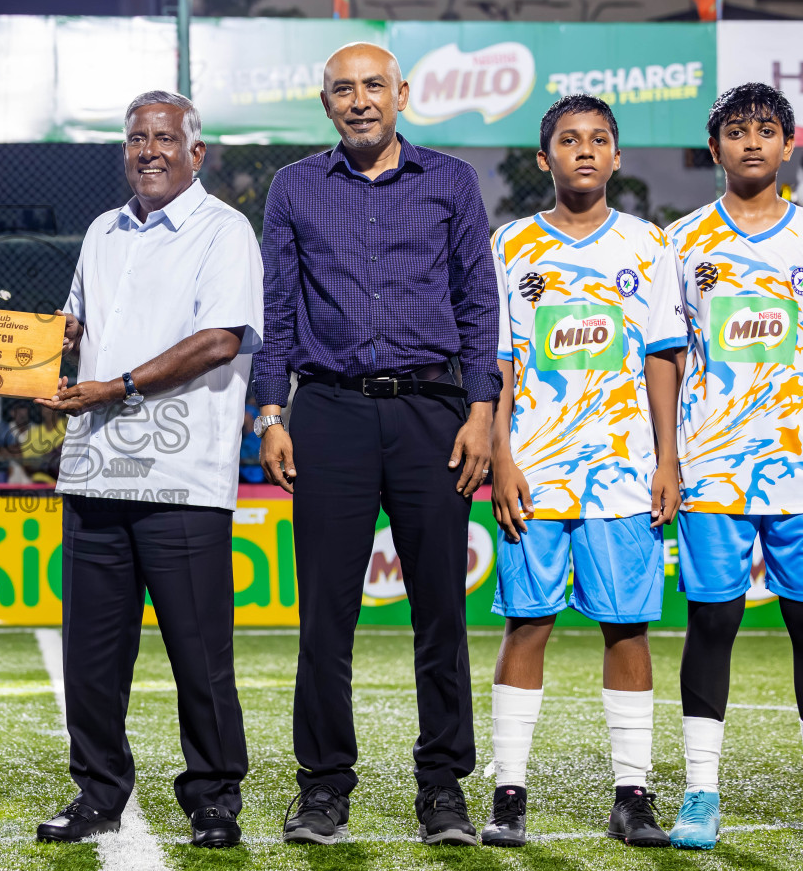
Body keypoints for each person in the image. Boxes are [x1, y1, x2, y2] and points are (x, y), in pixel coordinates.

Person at [256, 43, 499, 845]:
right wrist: (270, 414)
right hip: (328, 411)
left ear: (401, 94)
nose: (359, 101)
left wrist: (481, 409)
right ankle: (323, 787)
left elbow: (479, 305)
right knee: (325, 614)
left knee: (441, 613)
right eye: (341, 90)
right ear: (324, 103)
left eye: (372, 86)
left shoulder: (451, 182)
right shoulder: (294, 187)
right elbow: (277, 311)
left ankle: (443, 789)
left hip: (435, 412)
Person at [37, 89, 262, 849]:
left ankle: (214, 798)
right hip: (95, 470)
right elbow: (78, 321)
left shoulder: (223, 231)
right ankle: (98, 793)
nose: (149, 150)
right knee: (92, 659)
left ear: (196, 153)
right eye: (137, 138)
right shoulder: (102, 231)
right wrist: (52, 343)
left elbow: (220, 341)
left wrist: (120, 384)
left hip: (183, 479)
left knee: (199, 655)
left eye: (166, 138)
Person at [484, 95, 686, 847]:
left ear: (617, 155)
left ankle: (632, 795)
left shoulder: (647, 245)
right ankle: (509, 793)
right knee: (527, 622)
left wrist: (668, 459)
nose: (585, 151)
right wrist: (501, 457)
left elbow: (663, 357)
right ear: (545, 159)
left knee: (627, 629)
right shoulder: (510, 245)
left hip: (625, 473)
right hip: (533, 471)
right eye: (568, 140)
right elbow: (499, 364)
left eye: (599, 139)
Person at [663, 83, 803, 850]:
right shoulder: (680, 242)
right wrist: (668, 459)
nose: (753, 142)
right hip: (712, 466)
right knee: (712, 623)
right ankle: (701, 795)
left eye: (767, 130)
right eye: (736, 131)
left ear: (789, 143)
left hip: (799, 471)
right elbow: (665, 358)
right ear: (713, 148)